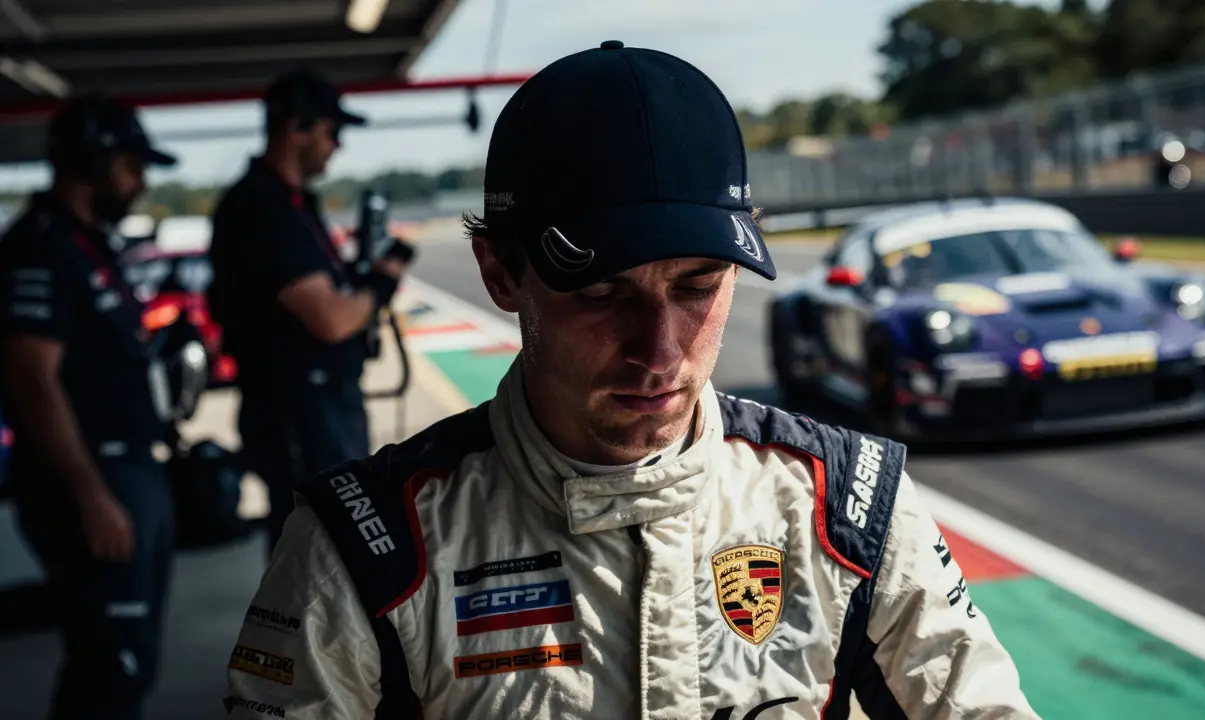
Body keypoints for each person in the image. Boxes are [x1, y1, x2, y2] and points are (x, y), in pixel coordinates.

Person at [224, 42, 1040, 719]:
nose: (659, 351)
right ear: (500, 273)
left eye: (697, 287)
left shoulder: (849, 506)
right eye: (600, 293)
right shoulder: (361, 549)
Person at [0, 95, 179, 719]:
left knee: (128, 664)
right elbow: (31, 382)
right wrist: (91, 496)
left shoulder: (89, 245)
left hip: (131, 473)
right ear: (91, 160)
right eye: (131, 165)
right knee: (111, 669)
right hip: (91, 483)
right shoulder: (40, 247)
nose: (140, 181)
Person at [206, 67, 408, 556]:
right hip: (300, 413)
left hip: (319, 406)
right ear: (297, 128)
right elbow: (331, 318)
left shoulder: (292, 204)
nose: (337, 146)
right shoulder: (263, 206)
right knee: (322, 553)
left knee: (341, 551)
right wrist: (382, 282)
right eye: (331, 132)